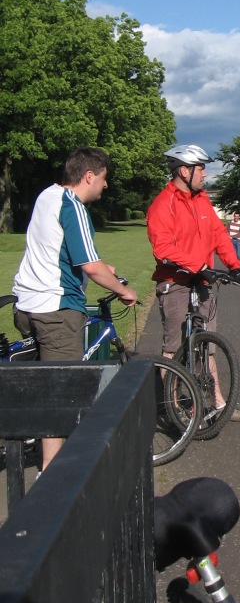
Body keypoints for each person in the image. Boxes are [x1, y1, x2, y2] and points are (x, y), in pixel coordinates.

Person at [13, 147, 139, 472]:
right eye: (103, 178)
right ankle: (50, 473)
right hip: (56, 311)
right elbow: (91, 267)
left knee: (41, 379)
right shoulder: (74, 207)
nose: (106, 185)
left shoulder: (47, 197)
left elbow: (57, 251)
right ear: (89, 176)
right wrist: (124, 289)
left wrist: (100, 266)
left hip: (26, 306)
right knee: (61, 393)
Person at [146, 144, 240, 422]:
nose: (204, 174)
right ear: (184, 170)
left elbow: (218, 235)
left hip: (203, 282)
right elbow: (164, 249)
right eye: (200, 168)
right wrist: (200, 267)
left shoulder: (202, 200)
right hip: (176, 282)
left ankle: (216, 403)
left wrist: (234, 266)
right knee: (173, 349)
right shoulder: (163, 204)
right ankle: (172, 406)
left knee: (207, 346)